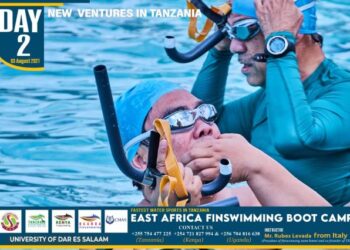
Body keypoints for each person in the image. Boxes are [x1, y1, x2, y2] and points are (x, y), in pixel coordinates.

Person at [190, 0, 350, 206]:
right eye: (231, 34)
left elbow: (296, 139)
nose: (235, 47)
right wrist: (218, 51)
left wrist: (280, 42)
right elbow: (201, 129)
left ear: (293, 29)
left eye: (244, 30)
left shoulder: (343, 92)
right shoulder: (266, 101)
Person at [115, 80, 330, 206]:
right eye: (179, 120)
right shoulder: (122, 229)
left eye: (205, 113)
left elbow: (332, 235)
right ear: (141, 160)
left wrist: (258, 167)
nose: (206, 127)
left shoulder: (252, 200)